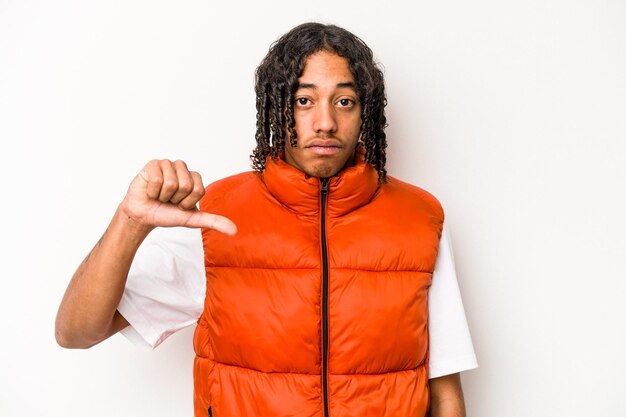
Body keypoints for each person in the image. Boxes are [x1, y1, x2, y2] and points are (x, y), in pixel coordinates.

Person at [56, 22, 477, 417]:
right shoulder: (217, 217)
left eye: (344, 101)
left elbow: (442, 388)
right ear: (276, 109)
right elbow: (76, 332)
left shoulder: (419, 218)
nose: (325, 122)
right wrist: (130, 222)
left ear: (364, 111)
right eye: (304, 100)